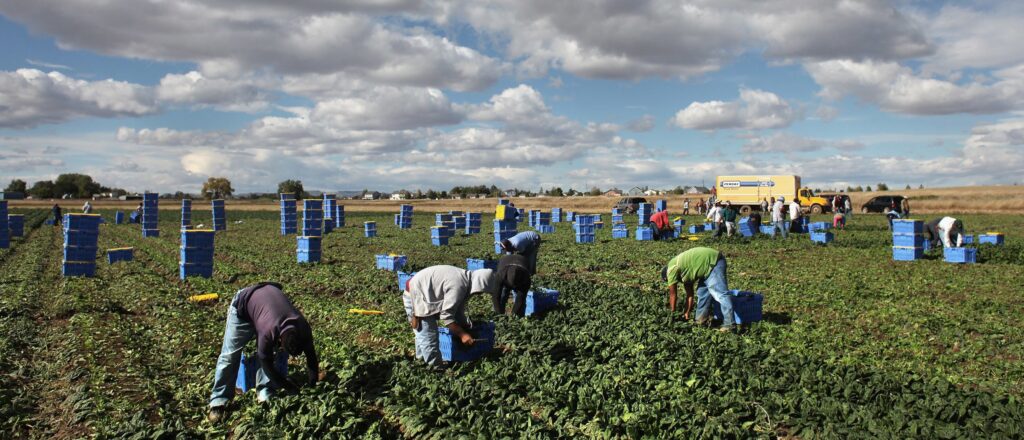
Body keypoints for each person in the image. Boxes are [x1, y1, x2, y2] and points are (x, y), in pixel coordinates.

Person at [208, 283, 319, 423]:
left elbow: (312, 358)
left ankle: (265, 392)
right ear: (279, 338)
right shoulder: (268, 331)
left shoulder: (303, 327)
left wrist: (313, 385)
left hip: (266, 306)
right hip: (243, 307)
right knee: (230, 355)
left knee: (273, 352)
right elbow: (266, 363)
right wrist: (289, 387)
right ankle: (219, 401)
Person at [403, 266, 497, 367]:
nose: (479, 294)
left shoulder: (465, 280)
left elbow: (457, 310)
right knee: (428, 335)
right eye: (481, 291)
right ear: (479, 285)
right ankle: (435, 369)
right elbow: (447, 316)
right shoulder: (459, 285)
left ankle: (421, 362)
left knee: (423, 334)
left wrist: (465, 326)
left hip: (423, 291)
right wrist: (463, 334)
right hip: (417, 294)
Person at [662, 247, 734, 332]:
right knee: (702, 293)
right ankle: (700, 321)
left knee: (720, 294)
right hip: (705, 267)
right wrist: (687, 311)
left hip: (713, 262)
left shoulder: (671, 270)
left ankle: (729, 325)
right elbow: (690, 295)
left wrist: (672, 314)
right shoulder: (684, 273)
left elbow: (673, 295)